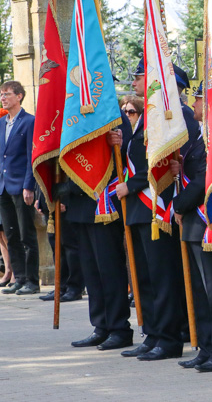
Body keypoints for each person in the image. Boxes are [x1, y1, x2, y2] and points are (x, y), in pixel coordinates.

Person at [115, 61, 196, 361]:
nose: (136, 83)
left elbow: (159, 161)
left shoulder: (169, 115)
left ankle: (169, 337)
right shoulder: (144, 118)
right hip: (139, 210)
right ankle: (153, 332)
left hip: (155, 207)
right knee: (145, 277)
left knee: (162, 276)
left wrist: (132, 185)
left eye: (139, 78)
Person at [172, 82, 212, 372]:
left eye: (198, 99)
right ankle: (207, 347)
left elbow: (202, 181)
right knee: (200, 291)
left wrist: (178, 204)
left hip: (208, 223)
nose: (194, 104)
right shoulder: (198, 138)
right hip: (195, 226)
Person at [61, 118, 134, 351]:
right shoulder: (75, 117)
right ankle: (101, 326)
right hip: (80, 208)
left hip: (104, 206)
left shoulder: (114, 116)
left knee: (109, 270)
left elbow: (127, 158)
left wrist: (120, 144)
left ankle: (119, 328)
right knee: (91, 272)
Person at [0, 81, 40, 296]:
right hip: (3, 187)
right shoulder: (0, 123)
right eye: (1, 95)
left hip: (20, 185)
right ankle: (20, 278)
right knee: (11, 234)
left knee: (26, 234)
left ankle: (32, 281)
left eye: (7, 94)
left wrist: (28, 185)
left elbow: (30, 157)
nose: (3, 98)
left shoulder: (29, 122)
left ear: (20, 96)